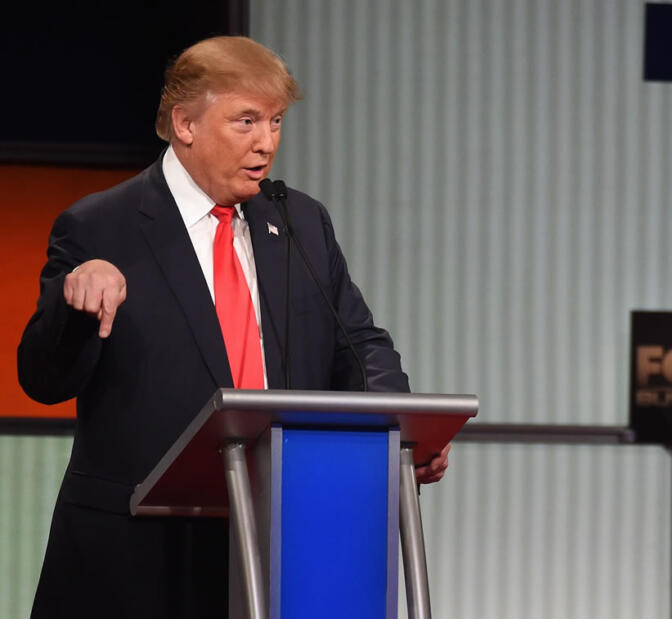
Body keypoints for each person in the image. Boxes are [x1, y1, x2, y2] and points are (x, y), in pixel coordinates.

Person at [18, 36, 449, 618]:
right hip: (138, 553)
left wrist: (400, 431)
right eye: (246, 121)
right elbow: (44, 379)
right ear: (185, 124)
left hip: (282, 535)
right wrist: (75, 310)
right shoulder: (101, 226)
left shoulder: (298, 220)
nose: (266, 142)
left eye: (275, 121)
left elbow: (358, 342)